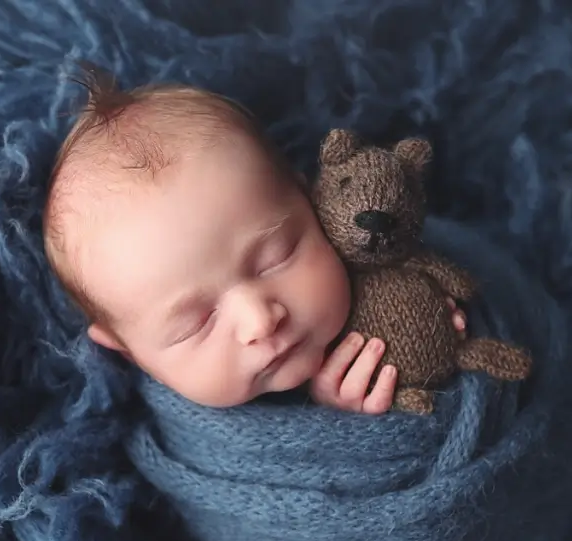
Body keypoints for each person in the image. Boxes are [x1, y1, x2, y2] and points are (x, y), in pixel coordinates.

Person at [42, 64, 465, 412]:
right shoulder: (164, 421)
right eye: (196, 324)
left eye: (275, 258)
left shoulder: (383, 258)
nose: (260, 320)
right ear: (129, 352)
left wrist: (430, 319)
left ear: (309, 200)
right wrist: (333, 413)